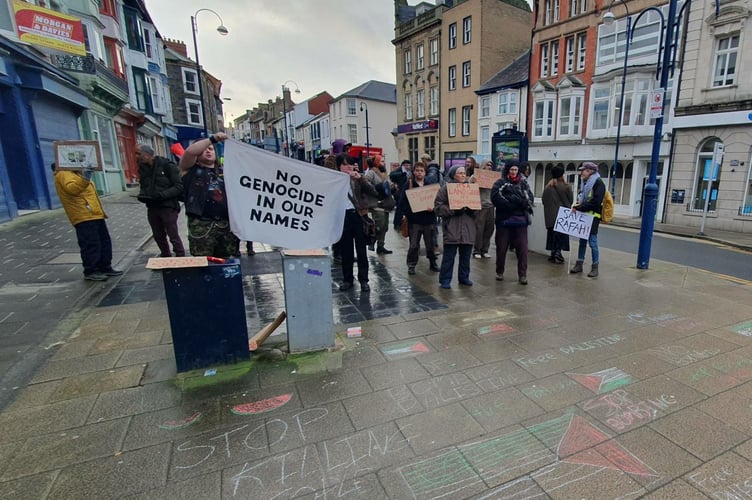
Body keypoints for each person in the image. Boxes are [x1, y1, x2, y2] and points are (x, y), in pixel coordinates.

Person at [52, 163, 122, 281]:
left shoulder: (76, 174)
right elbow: (72, 189)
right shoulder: (63, 174)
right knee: (91, 243)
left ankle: (105, 267)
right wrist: (85, 178)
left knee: (104, 241)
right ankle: (91, 270)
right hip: (83, 215)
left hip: (94, 214)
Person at [178, 132, 240, 258]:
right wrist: (213, 139)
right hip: (202, 225)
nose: (208, 151)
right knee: (204, 265)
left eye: (211, 149)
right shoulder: (190, 171)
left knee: (226, 263)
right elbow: (190, 152)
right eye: (204, 149)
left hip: (224, 225)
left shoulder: (224, 172)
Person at [136, 144, 186, 258]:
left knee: (172, 233)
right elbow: (144, 186)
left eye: (139, 154)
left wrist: (162, 195)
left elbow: (179, 186)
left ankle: (180, 255)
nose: (137, 157)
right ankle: (165, 255)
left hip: (168, 206)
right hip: (152, 206)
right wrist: (143, 195)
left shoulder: (167, 165)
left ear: (148, 155)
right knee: (157, 234)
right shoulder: (142, 168)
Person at [338, 153, 379, 292]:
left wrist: (360, 179)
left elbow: (373, 191)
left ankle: (364, 280)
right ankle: (347, 279)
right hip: (342, 217)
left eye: (350, 164)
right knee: (346, 251)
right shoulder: (334, 180)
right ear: (339, 166)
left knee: (361, 251)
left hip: (358, 216)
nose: (349, 167)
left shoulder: (358, 178)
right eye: (345, 164)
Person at [491, 160, 535, 284]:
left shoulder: (524, 183)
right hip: (504, 221)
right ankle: (499, 271)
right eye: (511, 170)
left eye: (516, 170)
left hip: (521, 222)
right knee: (501, 248)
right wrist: (511, 204)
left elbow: (529, 198)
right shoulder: (500, 183)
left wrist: (522, 203)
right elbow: (495, 197)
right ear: (507, 170)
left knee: (522, 250)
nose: (514, 172)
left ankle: (523, 275)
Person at [434, 166, 476, 289]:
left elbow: (478, 207)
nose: (463, 175)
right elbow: (438, 207)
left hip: (468, 227)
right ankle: (445, 279)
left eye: (464, 173)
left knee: (466, 256)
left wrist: (472, 211)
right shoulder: (445, 189)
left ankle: (464, 277)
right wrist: (453, 210)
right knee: (449, 256)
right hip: (452, 227)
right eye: (460, 173)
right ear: (453, 175)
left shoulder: (471, 189)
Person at [399, 161, 439, 275]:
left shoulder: (430, 184)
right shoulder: (409, 184)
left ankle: (433, 263)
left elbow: (437, 200)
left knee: (430, 244)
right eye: (417, 170)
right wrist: (411, 212)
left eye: (421, 170)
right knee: (414, 245)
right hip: (415, 221)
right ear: (413, 172)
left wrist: (434, 208)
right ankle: (411, 265)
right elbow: (403, 202)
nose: (419, 173)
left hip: (429, 219)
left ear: (425, 172)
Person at [570, 162, 605, 277]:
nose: (581, 173)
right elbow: (583, 198)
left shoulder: (598, 183)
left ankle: (595, 267)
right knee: (582, 241)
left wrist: (580, 207)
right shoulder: (586, 183)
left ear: (590, 171)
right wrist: (578, 205)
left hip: (593, 217)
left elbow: (595, 202)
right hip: (584, 216)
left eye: (583, 170)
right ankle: (579, 264)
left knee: (592, 242)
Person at [541, 166, 573, 264]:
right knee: (560, 236)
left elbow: (544, 201)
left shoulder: (547, 187)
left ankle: (553, 253)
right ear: (562, 175)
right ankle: (558, 254)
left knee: (552, 235)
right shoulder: (566, 186)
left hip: (550, 216)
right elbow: (570, 200)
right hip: (562, 215)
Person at [363, 155, 395, 254]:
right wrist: (375, 189)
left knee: (385, 226)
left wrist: (393, 187)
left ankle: (381, 246)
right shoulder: (371, 172)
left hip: (385, 203)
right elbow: (365, 182)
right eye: (381, 161)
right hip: (377, 204)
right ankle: (372, 242)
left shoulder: (384, 173)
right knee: (379, 225)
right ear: (376, 162)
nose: (383, 163)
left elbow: (388, 185)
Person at [471, 159, 496, 259]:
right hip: (480, 206)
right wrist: (473, 182)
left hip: (491, 206)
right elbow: (469, 187)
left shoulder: (494, 178)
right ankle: (476, 250)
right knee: (479, 229)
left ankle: (485, 250)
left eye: (490, 165)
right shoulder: (476, 176)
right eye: (487, 165)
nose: (489, 167)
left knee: (489, 229)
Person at [390, 159, 412, 230]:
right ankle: (397, 224)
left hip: (406, 192)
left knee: (403, 208)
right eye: (407, 165)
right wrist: (402, 174)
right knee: (399, 208)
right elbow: (392, 175)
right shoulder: (400, 170)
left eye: (409, 165)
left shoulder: (409, 172)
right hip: (399, 192)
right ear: (404, 165)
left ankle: (402, 223)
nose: (408, 167)